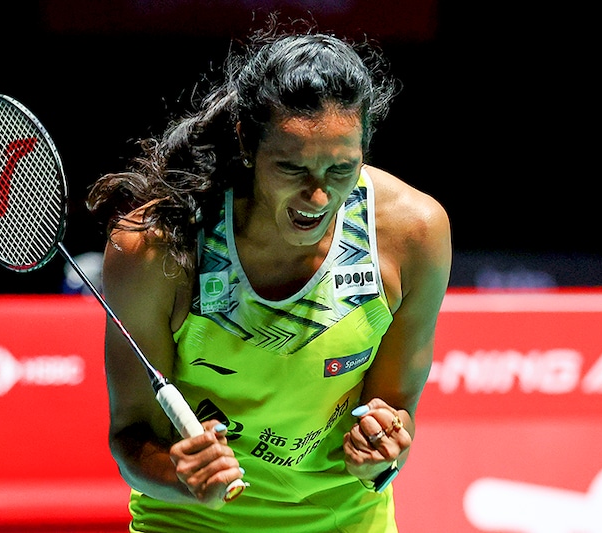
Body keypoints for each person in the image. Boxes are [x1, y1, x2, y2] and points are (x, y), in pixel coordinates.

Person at [86, 16, 451, 533]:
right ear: (247, 143)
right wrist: (182, 474)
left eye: (341, 170)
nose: (319, 197)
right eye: (292, 168)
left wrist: (383, 447)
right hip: (191, 523)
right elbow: (130, 435)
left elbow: (395, 407)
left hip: (345, 521)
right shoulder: (156, 248)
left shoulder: (413, 235)